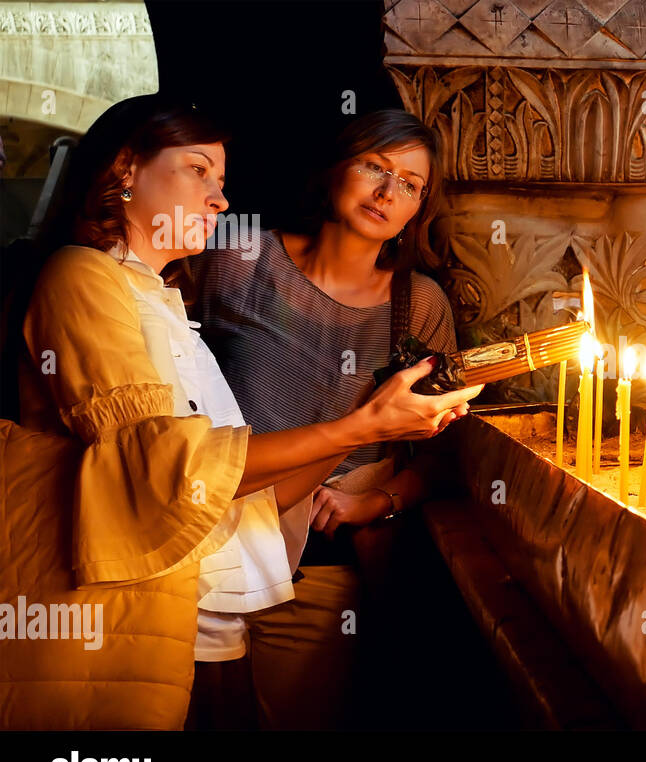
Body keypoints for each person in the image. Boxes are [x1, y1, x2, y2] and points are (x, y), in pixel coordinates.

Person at [2, 94, 479, 730]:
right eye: (198, 170)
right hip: (136, 618)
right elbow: (168, 470)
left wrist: (371, 429)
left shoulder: (165, 302)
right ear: (124, 170)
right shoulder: (87, 278)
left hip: (211, 617)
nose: (220, 200)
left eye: (221, 181)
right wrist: (361, 426)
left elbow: (238, 495)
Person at [190, 109, 464, 728]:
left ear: (419, 208)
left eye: (411, 185)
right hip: (202, 555)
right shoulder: (241, 258)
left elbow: (447, 451)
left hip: (318, 574)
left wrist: (380, 503)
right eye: (375, 166)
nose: (388, 193)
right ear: (337, 166)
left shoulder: (416, 304)